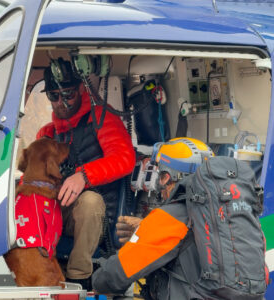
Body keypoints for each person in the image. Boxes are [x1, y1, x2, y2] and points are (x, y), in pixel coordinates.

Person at [36, 58, 136, 289]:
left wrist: (83, 176)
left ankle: (78, 278)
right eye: (54, 96)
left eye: (68, 94)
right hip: (58, 212)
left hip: (96, 216)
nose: (62, 102)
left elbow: (124, 159)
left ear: (81, 89)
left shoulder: (101, 119)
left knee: (90, 201)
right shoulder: (47, 133)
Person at [92, 137, 214, 299]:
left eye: (161, 175)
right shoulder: (235, 214)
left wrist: (95, 280)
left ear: (168, 177)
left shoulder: (171, 217)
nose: (159, 185)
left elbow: (113, 277)